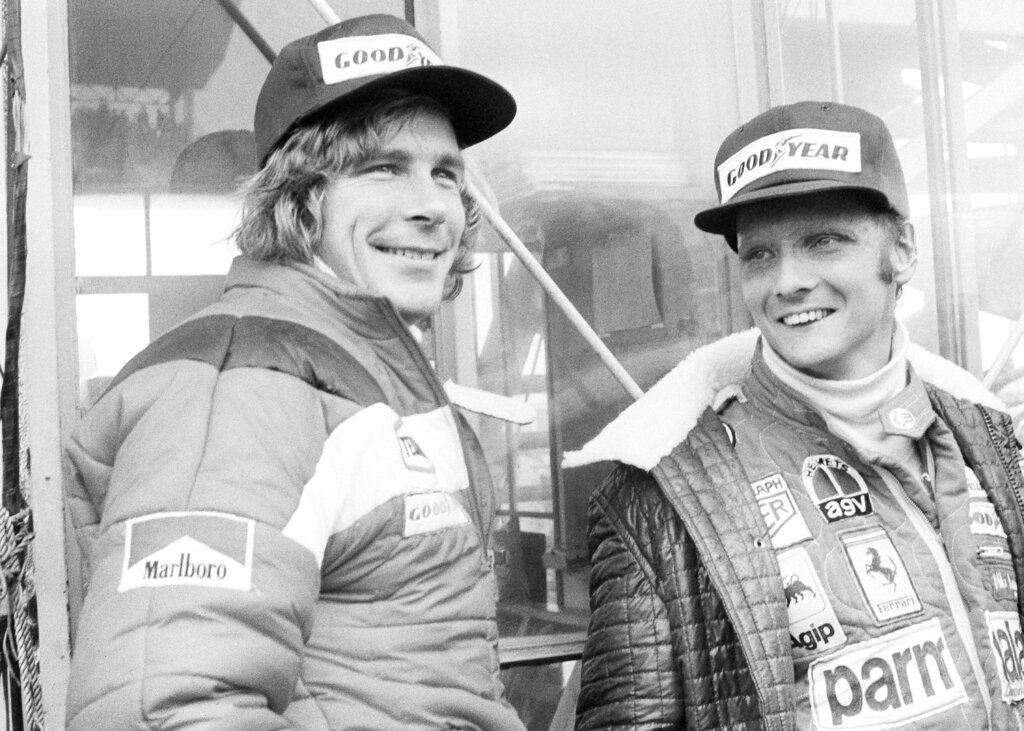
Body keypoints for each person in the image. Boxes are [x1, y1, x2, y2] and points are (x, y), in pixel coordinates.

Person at [63, 14, 526, 730]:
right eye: (383, 168)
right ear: (300, 196)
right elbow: (166, 711)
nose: (433, 206)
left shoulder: (361, 366)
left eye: (445, 174)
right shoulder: (242, 389)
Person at [569, 101, 1024, 729]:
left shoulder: (993, 441)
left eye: (823, 241)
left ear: (903, 250)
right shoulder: (658, 503)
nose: (787, 281)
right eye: (759, 254)